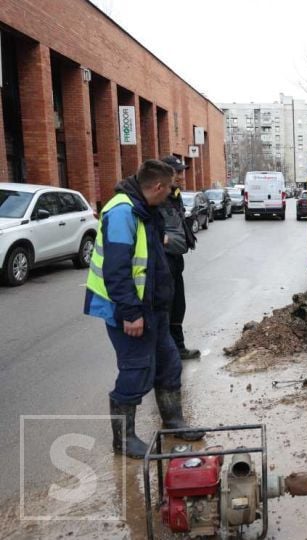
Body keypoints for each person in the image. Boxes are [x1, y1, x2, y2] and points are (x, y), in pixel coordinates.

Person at [84, 160, 203, 459]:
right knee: (136, 370)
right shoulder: (123, 211)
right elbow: (116, 270)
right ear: (159, 186)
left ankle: (173, 421)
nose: (172, 194)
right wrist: (130, 313)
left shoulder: (146, 210)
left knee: (169, 364)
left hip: (153, 309)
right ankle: (123, 439)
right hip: (129, 311)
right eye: (171, 188)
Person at [158, 155, 200, 360]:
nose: (182, 176)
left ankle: (178, 346)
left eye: (182, 171)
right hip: (164, 258)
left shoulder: (175, 195)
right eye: (178, 172)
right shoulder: (158, 196)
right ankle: (166, 350)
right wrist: (161, 239)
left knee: (177, 304)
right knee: (165, 304)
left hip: (176, 258)